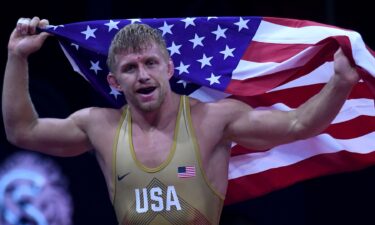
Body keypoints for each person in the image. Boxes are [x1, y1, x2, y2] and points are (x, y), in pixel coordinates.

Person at [2, 16, 360, 225]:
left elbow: (299, 124)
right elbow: (23, 131)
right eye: (130, 68)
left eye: (151, 63)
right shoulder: (100, 126)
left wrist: (340, 82)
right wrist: (16, 57)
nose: (142, 75)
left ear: (170, 69)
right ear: (114, 82)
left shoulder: (213, 119)